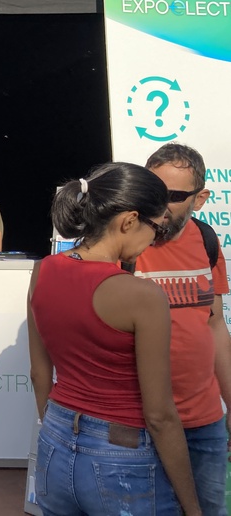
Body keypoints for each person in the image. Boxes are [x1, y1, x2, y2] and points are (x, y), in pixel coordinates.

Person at [27, 162, 201, 515]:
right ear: (129, 221)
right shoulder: (141, 296)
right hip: (120, 454)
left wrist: (62, 429)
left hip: (55, 439)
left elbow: (38, 373)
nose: (154, 240)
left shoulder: (43, 269)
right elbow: (160, 416)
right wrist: (192, 506)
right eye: (156, 228)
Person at [132, 144, 231, 515]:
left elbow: (215, 325)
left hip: (205, 423)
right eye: (153, 191)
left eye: (173, 196)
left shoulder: (207, 241)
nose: (160, 205)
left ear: (200, 199)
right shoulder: (124, 245)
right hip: (137, 424)